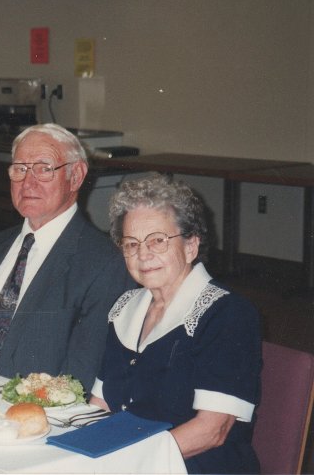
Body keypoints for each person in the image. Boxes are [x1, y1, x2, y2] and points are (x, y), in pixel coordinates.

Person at [89, 174, 261, 474]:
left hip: (195, 466)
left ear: (191, 245)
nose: (143, 254)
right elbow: (100, 404)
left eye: (158, 240)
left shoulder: (228, 314)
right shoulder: (124, 309)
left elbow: (212, 430)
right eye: (131, 243)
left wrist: (130, 462)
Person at [0, 124, 134, 390]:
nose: (28, 182)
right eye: (20, 169)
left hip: (24, 412)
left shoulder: (103, 262)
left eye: (44, 169)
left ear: (77, 175)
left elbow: (80, 378)